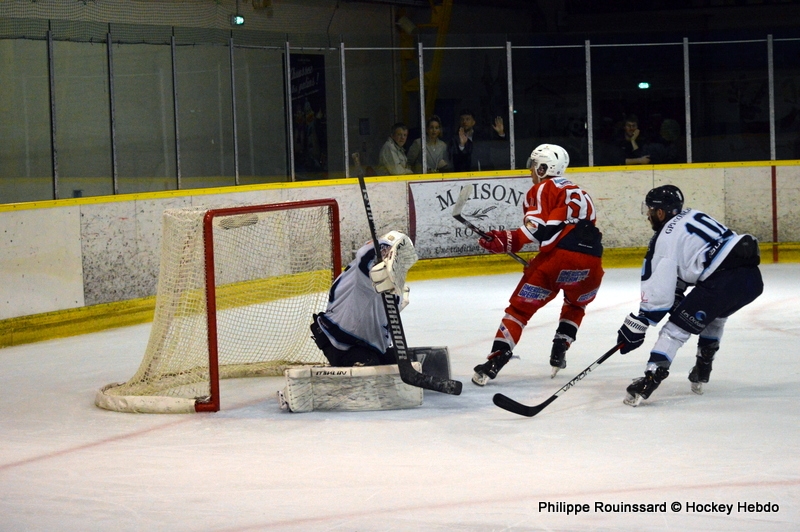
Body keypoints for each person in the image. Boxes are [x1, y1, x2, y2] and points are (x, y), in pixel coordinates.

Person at [616, 185, 763, 406]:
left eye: (650, 210)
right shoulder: (695, 214)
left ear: (660, 212)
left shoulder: (663, 238)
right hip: (752, 280)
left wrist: (642, 321)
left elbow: (658, 284)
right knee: (715, 315)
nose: (648, 215)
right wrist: (678, 293)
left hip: (722, 282)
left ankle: (650, 378)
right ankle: (703, 367)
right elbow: (697, 257)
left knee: (674, 331)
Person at [471, 144, 604, 385]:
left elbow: (537, 230)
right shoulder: (581, 192)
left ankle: (496, 359)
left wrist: (504, 240)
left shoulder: (543, 188)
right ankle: (560, 347)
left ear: (543, 168)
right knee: (576, 303)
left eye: (534, 165)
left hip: (558, 260)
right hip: (592, 263)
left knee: (519, 311)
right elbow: (574, 233)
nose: (531, 171)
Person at [309, 231, 418, 367]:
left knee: (408, 360)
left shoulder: (394, 287)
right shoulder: (367, 273)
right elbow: (364, 254)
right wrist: (383, 245)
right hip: (342, 343)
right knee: (370, 364)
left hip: (367, 345)